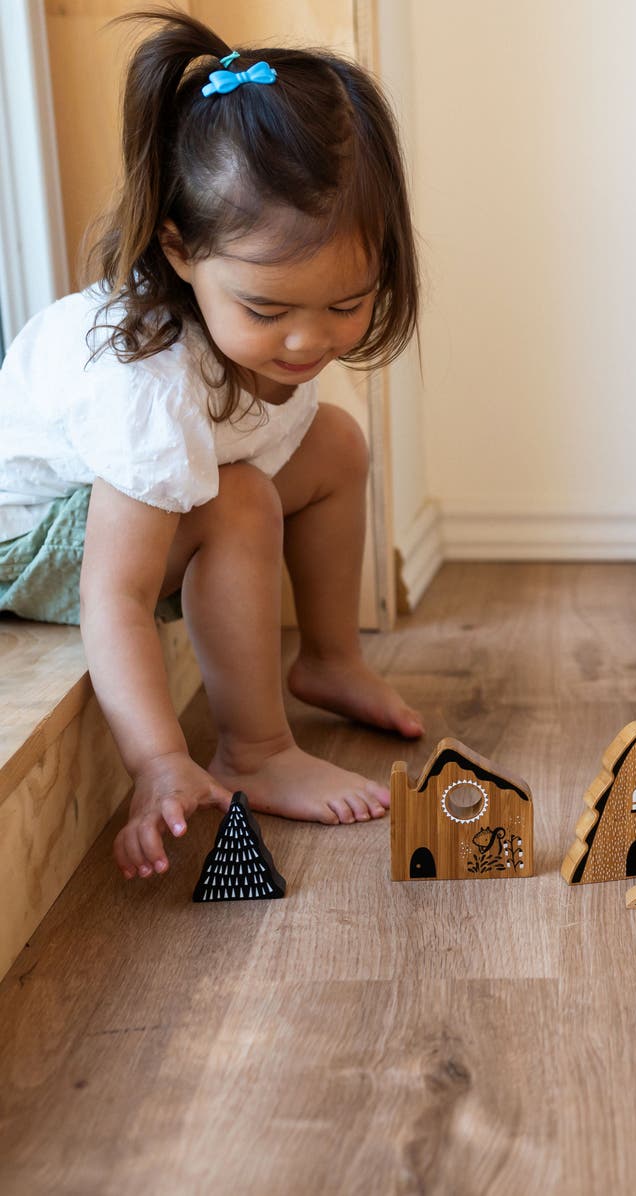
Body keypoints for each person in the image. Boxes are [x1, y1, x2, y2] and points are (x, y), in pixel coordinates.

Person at [0, 9, 425, 880]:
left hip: (128, 507)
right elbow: (114, 596)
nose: (308, 343)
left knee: (337, 445)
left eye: (345, 304)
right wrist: (157, 761)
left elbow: (290, 390)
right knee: (238, 499)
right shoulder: (146, 386)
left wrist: (277, 325)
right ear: (182, 252)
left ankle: (330, 659)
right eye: (269, 310)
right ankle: (255, 748)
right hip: (34, 548)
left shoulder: (262, 334)